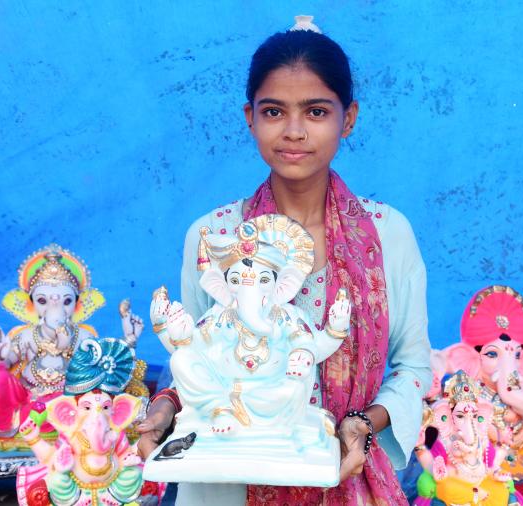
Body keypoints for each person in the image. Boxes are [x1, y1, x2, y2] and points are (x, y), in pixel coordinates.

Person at [138, 16, 431, 505]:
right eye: (274, 112)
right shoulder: (213, 237)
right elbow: (192, 359)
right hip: (227, 480)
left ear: (349, 117)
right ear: (249, 116)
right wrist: (164, 411)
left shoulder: (387, 235)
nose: (294, 132)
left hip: (345, 477)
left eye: (316, 112)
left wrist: (360, 425)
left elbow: (412, 366)